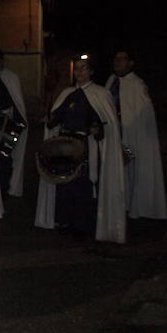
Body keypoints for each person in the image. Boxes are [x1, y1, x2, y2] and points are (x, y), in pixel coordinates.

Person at [35, 55, 125, 244]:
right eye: (76, 69)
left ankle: (82, 225)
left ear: (91, 71)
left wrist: (97, 130)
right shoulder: (67, 94)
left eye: (83, 68)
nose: (79, 72)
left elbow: (106, 125)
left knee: (83, 187)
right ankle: (65, 221)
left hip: (85, 147)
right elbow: (56, 118)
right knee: (65, 184)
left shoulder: (100, 94)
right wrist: (49, 120)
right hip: (65, 148)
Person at [105, 50, 167, 219]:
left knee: (131, 168)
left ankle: (135, 205)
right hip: (113, 137)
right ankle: (119, 204)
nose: (118, 62)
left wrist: (125, 124)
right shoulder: (111, 81)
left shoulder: (137, 85)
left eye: (122, 59)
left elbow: (143, 115)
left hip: (131, 139)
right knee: (115, 171)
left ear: (131, 63)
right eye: (116, 58)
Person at [0, 48, 28, 198]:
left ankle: (4, 188)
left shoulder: (12, 78)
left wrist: (12, 115)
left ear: (2, 61)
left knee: (5, 156)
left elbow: (17, 102)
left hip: (8, 125)